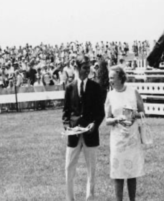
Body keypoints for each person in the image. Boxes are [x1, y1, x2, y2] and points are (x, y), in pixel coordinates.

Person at [62, 55, 105, 201]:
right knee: (69, 168)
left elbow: (101, 112)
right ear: (78, 68)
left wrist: (95, 124)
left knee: (91, 170)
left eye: (89, 67)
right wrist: (67, 125)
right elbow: (66, 111)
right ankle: (70, 198)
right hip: (73, 135)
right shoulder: (69, 87)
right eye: (85, 67)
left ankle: (90, 197)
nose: (88, 70)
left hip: (91, 134)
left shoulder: (96, 87)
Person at [105, 65, 145, 201]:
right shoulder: (110, 95)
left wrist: (135, 114)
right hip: (117, 140)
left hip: (132, 139)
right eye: (109, 78)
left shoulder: (133, 92)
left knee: (132, 173)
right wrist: (116, 119)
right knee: (118, 174)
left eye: (112, 78)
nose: (110, 80)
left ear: (121, 78)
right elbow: (107, 120)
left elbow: (143, 113)